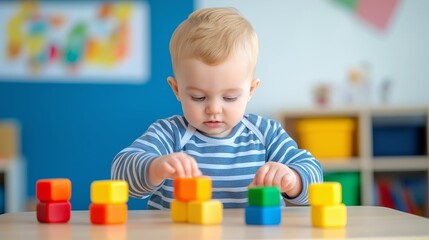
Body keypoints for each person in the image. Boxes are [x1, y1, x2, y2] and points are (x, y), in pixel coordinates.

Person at [111, 7, 323, 209]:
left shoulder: (267, 134)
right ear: (176, 89)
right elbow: (121, 175)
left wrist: (292, 179)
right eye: (198, 97)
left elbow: (314, 176)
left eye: (230, 97)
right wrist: (155, 168)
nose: (214, 109)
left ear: (250, 90)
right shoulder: (168, 134)